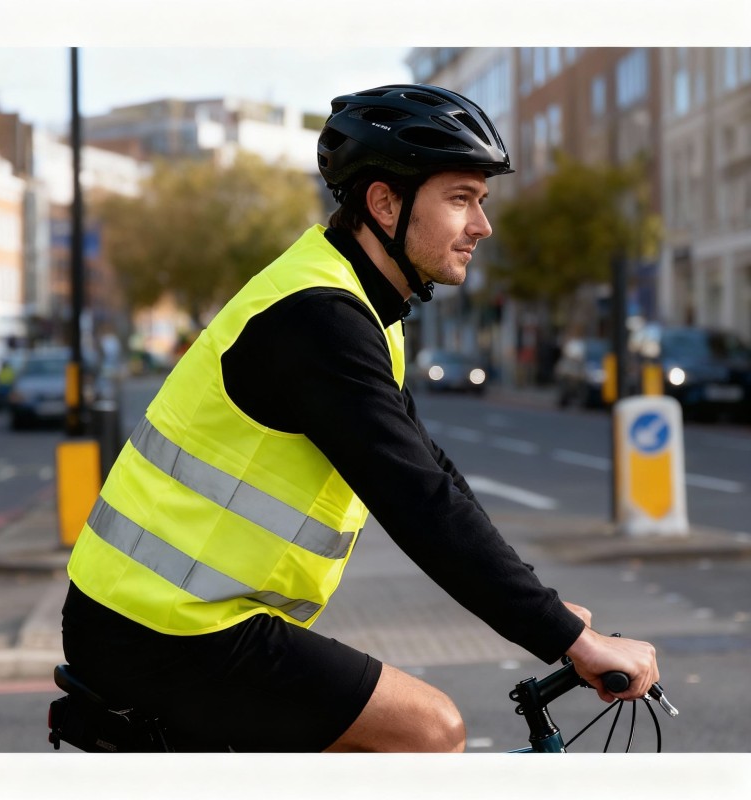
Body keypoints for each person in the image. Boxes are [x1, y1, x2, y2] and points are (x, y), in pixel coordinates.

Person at [61, 84, 659, 753]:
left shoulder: (357, 305)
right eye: (460, 199)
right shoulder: (319, 320)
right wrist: (567, 638)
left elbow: (432, 470)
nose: (481, 225)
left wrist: (548, 614)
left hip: (176, 616)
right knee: (429, 732)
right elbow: (417, 502)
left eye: (481, 201)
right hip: (159, 628)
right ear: (385, 203)